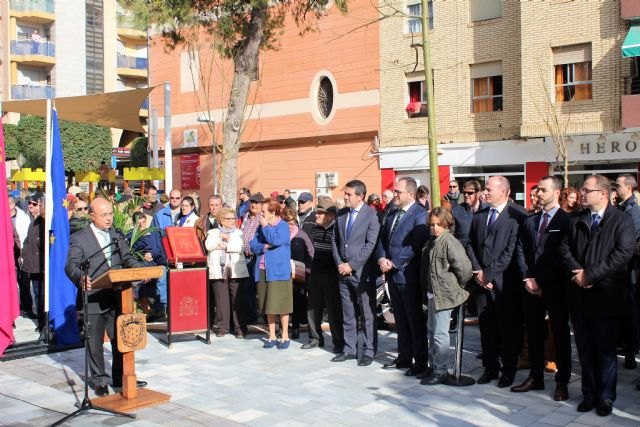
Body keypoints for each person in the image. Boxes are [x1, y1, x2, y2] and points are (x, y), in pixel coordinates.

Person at [559, 175, 635, 416]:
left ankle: (606, 397)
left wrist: (590, 275)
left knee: (605, 350)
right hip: (579, 296)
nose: (582, 193)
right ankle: (589, 394)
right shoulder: (576, 219)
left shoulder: (621, 221)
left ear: (602, 193)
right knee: (584, 349)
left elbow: (622, 254)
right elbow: (564, 248)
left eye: (587, 190)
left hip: (607, 296)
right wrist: (578, 274)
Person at [65, 198, 147, 397]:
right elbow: (71, 265)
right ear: (92, 216)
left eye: (110, 214)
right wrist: (80, 278)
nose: (109, 218)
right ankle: (99, 380)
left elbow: (126, 258)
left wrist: (141, 270)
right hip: (93, 297)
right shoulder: (80, 238)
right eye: (104, 215)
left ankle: (120, 377)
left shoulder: (116, 235)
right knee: (94, 343)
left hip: (117, 295)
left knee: (121, 339)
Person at [512, 176, 572, 402]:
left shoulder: (567, 221)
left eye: (543, 190)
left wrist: (541, 281)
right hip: (531, 287)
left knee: (559, 333)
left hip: (555, 288)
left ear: (556, 193)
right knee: (534, 333)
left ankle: (562, 381)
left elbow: (562, 256)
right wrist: (528, 278)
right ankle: (535, 376)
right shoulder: (531, 221)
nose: (538, 194)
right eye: (537, 190)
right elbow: (521, 250)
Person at [466, 176, 527, 388]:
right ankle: (490, 368)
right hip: (482, 282)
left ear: (505, 191)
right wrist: (479, 273)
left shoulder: (517, 216)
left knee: (508, 330)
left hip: (505, 284)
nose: (485, 192)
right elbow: (470, 244)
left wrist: (489, 274)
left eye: (490, 189)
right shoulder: (480, 215)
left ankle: (508, 370)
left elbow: (512, 250)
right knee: (487, 328)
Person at [377, 177, 429, 376]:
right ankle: (404, 357)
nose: (395, 194)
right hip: (391, 275)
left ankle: (420, 361)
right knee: (400, 318)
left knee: (414, 320)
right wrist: (382, 258)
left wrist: (395, 262)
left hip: (409, 276)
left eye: (398, 192)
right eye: (395, 191)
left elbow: (415, 245)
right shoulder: (392, 213)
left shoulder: (419, 215)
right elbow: (383, 239)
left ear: (411, 194)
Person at [420, 207, 472, 385]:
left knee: (440, 334)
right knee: (432, 331)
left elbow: (464, 268)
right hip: (432, 293)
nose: (435, 228)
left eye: (438, 224)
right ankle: (434, 366)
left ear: (446, 224)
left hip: (444, 294)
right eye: (432, 224)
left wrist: (458, 286)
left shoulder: (449, 241)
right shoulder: (433, 241)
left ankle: (441, 370)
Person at [332, 179, 380, 366]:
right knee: (348, 312)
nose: (345, 197)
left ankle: (368, 351)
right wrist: (340, 263)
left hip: (361, 273)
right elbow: (335, 241)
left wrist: (352, 265)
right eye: (345, 193)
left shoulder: (371, 214)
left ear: (360, 196)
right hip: (342, 272)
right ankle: (349, 348)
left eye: (349, 194)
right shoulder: (342, 214)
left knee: (366, 313)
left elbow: (370, 244)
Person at [250, 198, 293, 350]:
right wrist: (264, 247)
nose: (260, 214)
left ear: (273, 212)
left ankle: (285, 336)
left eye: (263, 211)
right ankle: (272, 335)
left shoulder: (282, 226)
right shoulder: (261, 227)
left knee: (281, 304)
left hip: (278, 272)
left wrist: (266, 228)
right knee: (268, 304)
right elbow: (253, 245)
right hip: (262, 270)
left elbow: (275, 240)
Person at [303, 197, 344, 351]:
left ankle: (338, 341)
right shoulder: (315, 229)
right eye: (317, 212)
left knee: (334, 309)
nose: (316, 216)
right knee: (313, 306)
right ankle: (315, 338)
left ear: (331, 216)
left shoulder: (337, 231)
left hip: (332, 273)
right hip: (316, 271)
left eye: (320, 213)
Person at [205, 207, 250, 338]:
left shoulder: (239, 233)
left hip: (236, 270)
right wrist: (220, 237)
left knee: (238, 300)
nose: (232, 221)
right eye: (229, 218)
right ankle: (222, 326)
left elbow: (241, 247)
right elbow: (209, 246)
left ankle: (240, 327)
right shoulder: (213, 232)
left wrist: (226, 245)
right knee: (221, 300)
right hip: (218, 269)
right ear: (221, 220)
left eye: (233, 218)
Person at [615, 174, 640, 370]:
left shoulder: (633, 211)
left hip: (629, 268)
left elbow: (630, 241)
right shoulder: (623, 207)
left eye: (619, 185)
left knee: (629, 311)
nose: (616, 188)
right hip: (621, 269)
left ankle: (631, 351)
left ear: (629, 188)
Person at [281, 207, 314, 340]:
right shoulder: (279, 236)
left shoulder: (301, 234)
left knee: (297, 302)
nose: (290, 226)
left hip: (298, 274)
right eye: (287, 223)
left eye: (292, 223)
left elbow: (311, 253)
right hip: (282, 273)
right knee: (283, 301)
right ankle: (283, 328)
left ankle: (295, 327)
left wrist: (308, 270)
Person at [22, 194, 45, 329]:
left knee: (42, 296)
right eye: (29, 203)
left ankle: (44, 322)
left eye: (34, 204)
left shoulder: (44, 222)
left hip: (42, 266)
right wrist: (23, 256)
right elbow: (27, 242)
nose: (30, 206)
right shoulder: (33, 222)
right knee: (37, 295)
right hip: (33, 266)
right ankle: (41, 322)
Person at [241, 192, 264, 324]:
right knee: (248, 288)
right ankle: (251, 315)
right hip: (245, 257)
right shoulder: (245, 217)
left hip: (258, 256)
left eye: (257, 203)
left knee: (260, 288)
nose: (254, 205)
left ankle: (266, 315)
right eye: (252, 202)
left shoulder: (262, 218)